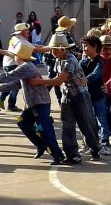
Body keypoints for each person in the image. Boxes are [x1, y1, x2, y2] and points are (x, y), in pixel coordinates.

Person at [29, 33, 101, 164]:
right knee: (67, 124)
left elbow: (58, 80)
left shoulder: (70, 60)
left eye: (54, 49)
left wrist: (39, 82)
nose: (52, 52)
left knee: (86, 124)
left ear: (62, 48)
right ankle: (72, 154)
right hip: (67, 95)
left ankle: (95, 148)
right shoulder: (59, 59)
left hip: (80, 96)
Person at [0, 42, 64, 165]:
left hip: (40, 102)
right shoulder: (25, 67)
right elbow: (17, 84)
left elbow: (8, 76)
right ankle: (40, 145)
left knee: (45, 128)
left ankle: (57, 155)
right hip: (33, 103)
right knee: (22, 122)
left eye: (15, 55)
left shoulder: (25, 67)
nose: (14, 57)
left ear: (19, 56)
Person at [80, 35, 111, 155]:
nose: (84, 48)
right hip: (86, 96)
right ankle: (88, 144)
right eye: (83, 46)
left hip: (98, 95)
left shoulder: (100, 61)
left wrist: (86, 79)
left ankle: (104, 144)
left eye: (86, 46)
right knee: (86, 121)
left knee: (101, 120)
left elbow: (96, 73)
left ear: (95, 47)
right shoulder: (83, 61)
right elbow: (77, 72)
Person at [0, 23, 32, 112]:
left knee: (13, 83)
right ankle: (8, 102)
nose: (28, 32)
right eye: (26, 30)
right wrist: (49, 48)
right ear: (21, 32)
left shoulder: (15, 38)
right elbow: (34, 48)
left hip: (8, 63)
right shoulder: (21, 41)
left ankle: (4, 99)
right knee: (16, 84)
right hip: (13, 63)